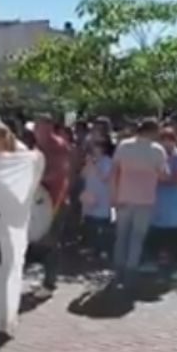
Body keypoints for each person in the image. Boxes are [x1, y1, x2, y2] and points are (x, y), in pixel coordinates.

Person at [109, 118, 168, 286]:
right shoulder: (157, 150)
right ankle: (130, 270)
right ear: (153, 131)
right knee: (137, 237)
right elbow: (163, 175)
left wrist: (113, 196)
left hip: (124, 196)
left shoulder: (124, 146)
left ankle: (118, 269)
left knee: (121, 236)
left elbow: (114, 173)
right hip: (145, 198)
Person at [31, 114, 71, 299]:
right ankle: (45, 278)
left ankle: (50, 283)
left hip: (55, 200)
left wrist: (33, 180)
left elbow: (57, 173)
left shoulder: (58, 146)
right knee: (40, 239)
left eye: (38, 127)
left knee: (51, 242)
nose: (35, 131)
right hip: (40, 200)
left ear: (47, 127)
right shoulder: (39, 145)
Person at [150, 127, 177, 273]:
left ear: (174, 141)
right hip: (162, 204)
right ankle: (162, 263)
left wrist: (163, 178)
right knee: (162, 235)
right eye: (162, 141)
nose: (165, 144)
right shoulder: (160, 158)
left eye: (168, 141)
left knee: (176, 236)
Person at [80, 139, 114, 259]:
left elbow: (105, 178)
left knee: (101, 224)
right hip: (90, 194)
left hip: (102, 195)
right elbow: (83, 175)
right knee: (90, 223)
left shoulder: (108, 161)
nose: (94, 150)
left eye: (97, 147)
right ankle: (92, 248)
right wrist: (88, 164)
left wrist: (93, 165)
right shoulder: (91, 161)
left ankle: (102, 249)